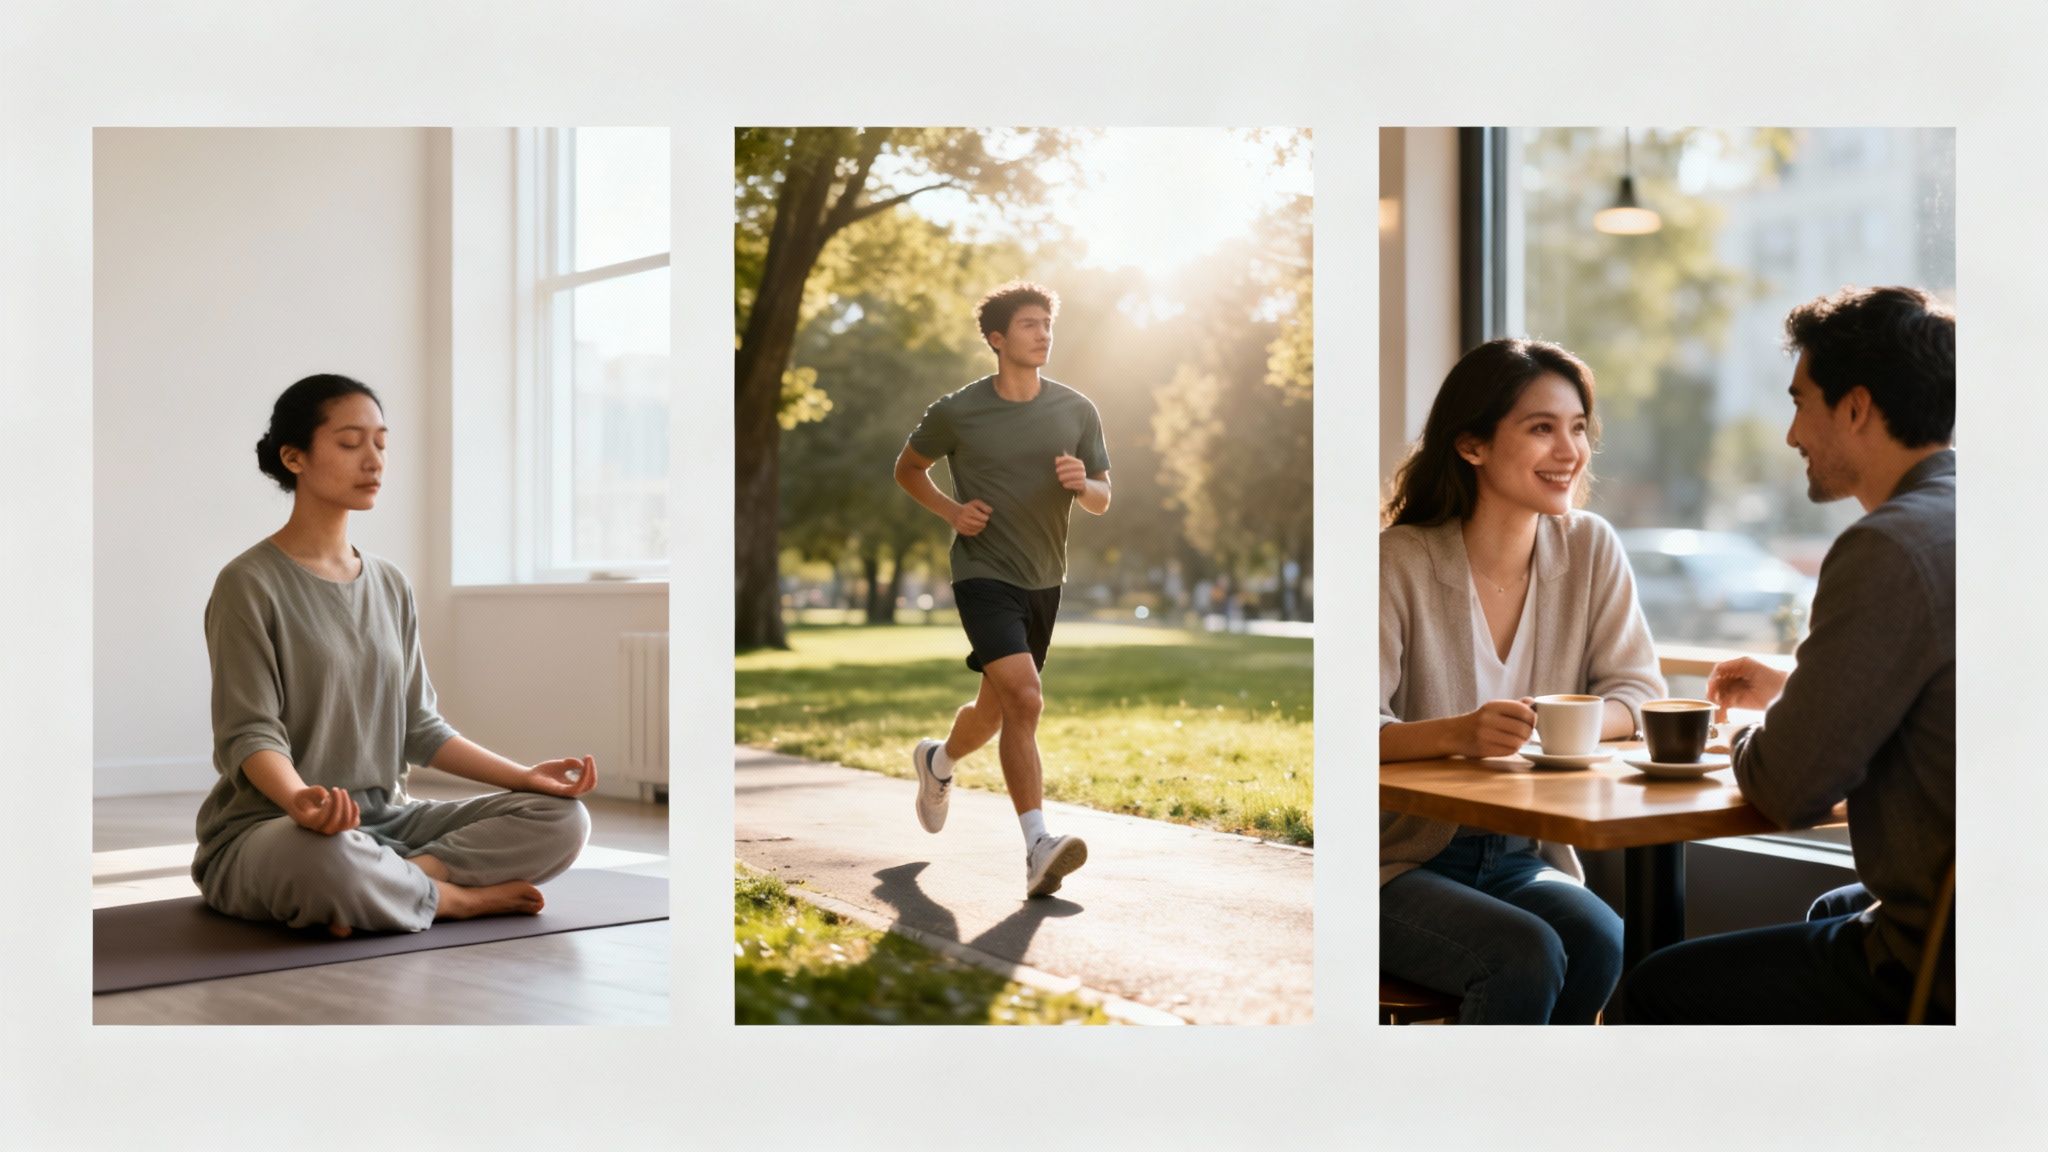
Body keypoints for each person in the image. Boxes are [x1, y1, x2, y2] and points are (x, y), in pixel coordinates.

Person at [1617, 286, 1955, 1024]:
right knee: (1830, 905)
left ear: (1857, 407)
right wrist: (1797, 689)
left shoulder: (1889, 546)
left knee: (1651, 989)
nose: (1792, 433)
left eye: (1801, 402)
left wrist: (1747, 734)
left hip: (1946, 961)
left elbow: (1786, 786)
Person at [192, 374, 598, 937]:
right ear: (294, 457)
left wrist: (526, 777)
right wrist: (302, 802)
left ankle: (398, 884)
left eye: (382, 443)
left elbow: (421, 727)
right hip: (277, 828)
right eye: (351, 442)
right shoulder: (247, 584)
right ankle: (449, 899)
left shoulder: (390, 584)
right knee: (323, 858)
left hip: (388, 822)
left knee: (563, 819)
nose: (374, 460)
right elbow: (249, 736)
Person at [1379, 337, 1664, 1024]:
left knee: (1602, 938)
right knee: (1525, 954)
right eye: (1542, 429)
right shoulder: (1398, 561)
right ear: (1472, 444)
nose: (1570, 452)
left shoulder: (1590, 546)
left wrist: (1572, 720)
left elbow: (1642, 695)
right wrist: (1461, 733)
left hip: (1517, 851)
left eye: (1577, 429)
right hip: (1393, 859)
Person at [893, 281, 1111, 898]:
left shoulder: (1076, 409)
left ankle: (937, 761)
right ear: (996, 338)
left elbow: (1103, 496)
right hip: (982, 573)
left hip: (1045, 578)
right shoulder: (958, 410)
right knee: (1027, 697)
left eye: (1048, 323)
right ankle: (1038, 844)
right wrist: (950, 511)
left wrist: (1081, 485)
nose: (1043, 333)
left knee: (996, 711)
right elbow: (908, 468)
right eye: (1029, 324)